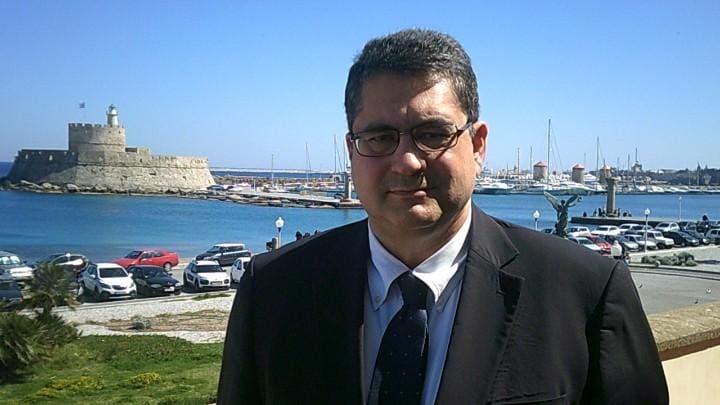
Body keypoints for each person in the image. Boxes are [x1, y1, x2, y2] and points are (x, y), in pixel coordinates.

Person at [217, 29, 667, 404]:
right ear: (351, 151)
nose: (407, 161)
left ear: (479, 145)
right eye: (379, 137)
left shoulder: (585, 294)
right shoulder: (273, 289)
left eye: (432, 134)